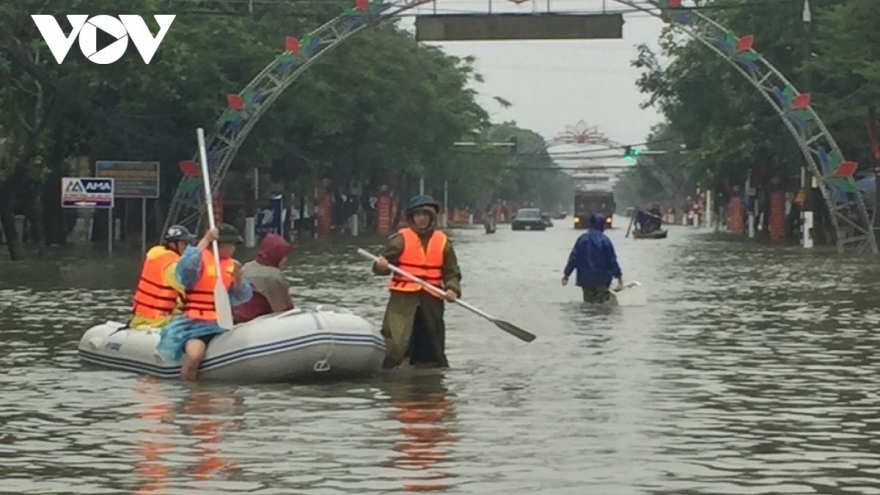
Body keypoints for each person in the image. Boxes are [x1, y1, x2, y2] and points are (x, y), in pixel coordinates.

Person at [372, 194, 462, 369]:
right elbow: (381, 266)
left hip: (431, 301)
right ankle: (395, 370)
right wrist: (380, 266)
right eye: (417, 215)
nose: (421, 219)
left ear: (431, 217)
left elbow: (452, 273)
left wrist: (452, 289)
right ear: (412, 217)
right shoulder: (399, 240)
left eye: (425, 215)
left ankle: (428, 376)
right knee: (398, 341)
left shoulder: (444, 243)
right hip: (403, 302)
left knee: (431, 345)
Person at [156, 223, 253, 381]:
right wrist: (206, 240)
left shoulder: (233, 265)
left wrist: (238, 279)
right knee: (195, 356)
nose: (234, 249)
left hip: (221, 325)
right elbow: (185, 269)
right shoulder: (198, 262)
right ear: (219, 245)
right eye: (231, 245)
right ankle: (189, 394)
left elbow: (242, 296)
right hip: (194, 326)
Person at [129, 225, 211, 330]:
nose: (187, 247)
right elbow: (189, 290)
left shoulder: (157, 254)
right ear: (173, 244)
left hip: (142, 317)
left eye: (189, 243)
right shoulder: (172, 265)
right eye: (184, 244)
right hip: (157, 320)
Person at [561, 212, 624, 304]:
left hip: (585, 279)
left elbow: (573, 259)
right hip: (602, 279)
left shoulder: (582, 239)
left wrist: (566, 274)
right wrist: (619, 278)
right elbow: (612, 260)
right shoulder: (605, 240)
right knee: (602, 305)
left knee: (588, 303)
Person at [232, 232, 294, 324]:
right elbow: (284, 311)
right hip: (257, 321)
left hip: (236, 319)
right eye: (284, 256)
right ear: (277, 255)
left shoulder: (247, 266)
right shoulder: (274, 276)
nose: (285, 260)